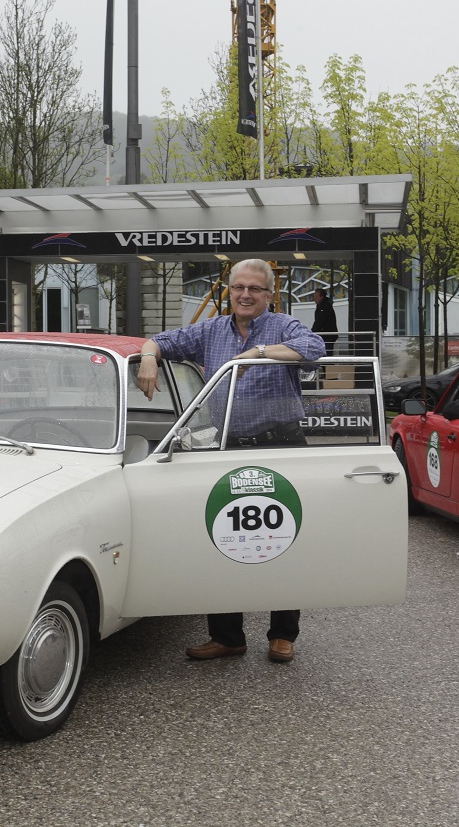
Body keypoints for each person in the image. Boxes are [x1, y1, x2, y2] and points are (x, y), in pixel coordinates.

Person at [136, 258, 325, 664]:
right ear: (229, 291)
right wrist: (149, 357)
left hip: (281, 444)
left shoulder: (284, 326)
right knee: (222, 535)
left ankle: (283, 635)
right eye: (238, 287)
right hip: (226, 446)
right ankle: (226, 637)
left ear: (269, 294)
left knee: (282, 536)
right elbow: (160, 341)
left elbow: (314, 348)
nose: (244, 295)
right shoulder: (211, 329)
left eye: (254, 288)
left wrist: (256, 353)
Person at [312, 288, 339, 356]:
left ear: (322, 297)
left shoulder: (325, 307)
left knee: (327, 352)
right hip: (324, 335)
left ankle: (327, 362)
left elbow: (319, 321)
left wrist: (312, 332)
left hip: (328, 335)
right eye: (314, 296)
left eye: (316, 296)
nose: (314, 298)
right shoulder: (320, 307)